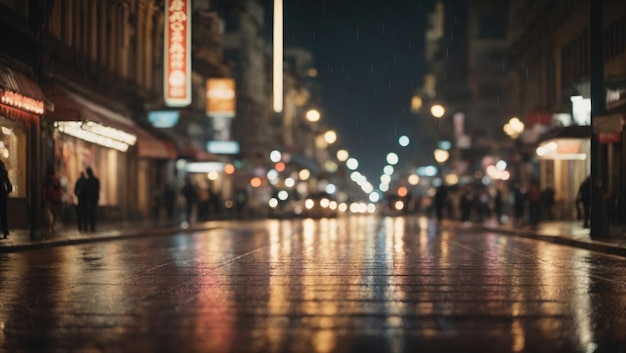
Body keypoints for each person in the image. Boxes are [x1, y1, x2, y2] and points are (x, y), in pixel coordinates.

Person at [41, 166, 63, 234]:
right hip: (55, 199)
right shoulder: (56, 179)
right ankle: (52, 226)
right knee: (54, 213)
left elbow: (43, 189)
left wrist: (43, 196)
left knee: (48, 213)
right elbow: (59, 189)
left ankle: (50, 226)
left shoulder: (46, 179)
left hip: (48, 198)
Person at [83, 167, 100, 232]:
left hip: (89, 200)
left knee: (89, 213)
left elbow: (85, 191)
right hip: (94, 199)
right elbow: (97, 189)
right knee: (93, 213)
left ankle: (90, 226)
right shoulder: (96, 180)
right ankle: (93, 227)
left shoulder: (87, 181)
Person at [0, 161, 13, 238]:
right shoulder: (4, 173)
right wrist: (6, 193)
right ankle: (5, 231)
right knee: (3, 214)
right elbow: (9, 186)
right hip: (2, 195)